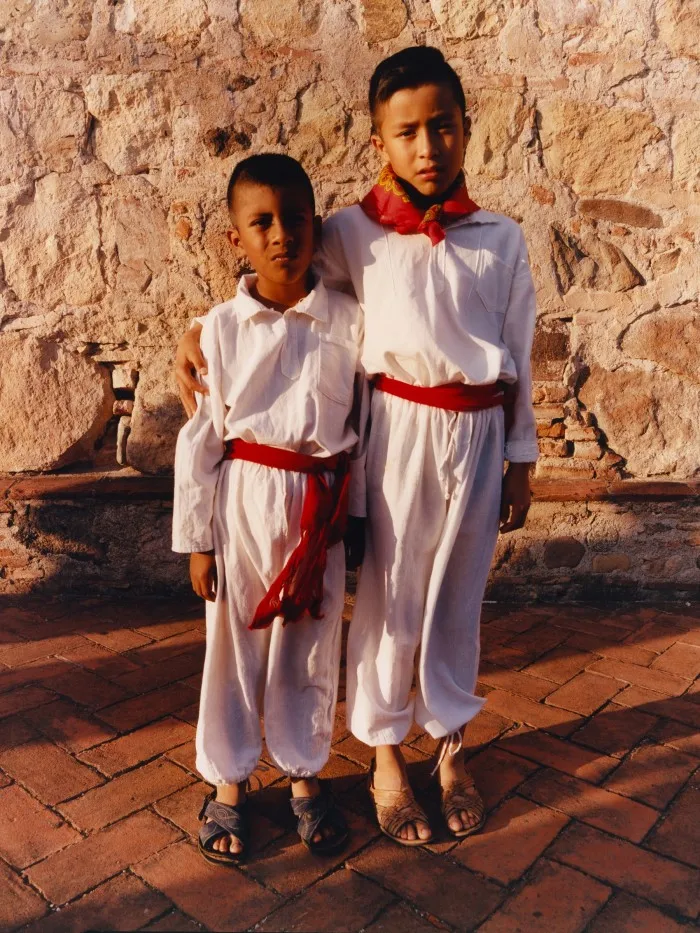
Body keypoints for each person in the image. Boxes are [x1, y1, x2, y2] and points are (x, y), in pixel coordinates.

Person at [176, 46, 538, 847]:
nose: (427, 146)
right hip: (396, 430)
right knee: (391, 596)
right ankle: (383, 756)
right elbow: (274, 285)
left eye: (442, 126)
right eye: (407, 131)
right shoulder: (353, 233)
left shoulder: (502, 240)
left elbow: (521, 351)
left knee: (458, 597)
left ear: (465, 129)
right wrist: (196, 330)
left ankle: (450, 750)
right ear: (381, 142)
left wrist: (521, 457)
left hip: (479, 435)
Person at [172, 153, 367, 864]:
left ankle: (305, 773)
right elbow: (200, 438)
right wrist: (197, 538)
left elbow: (364, 429)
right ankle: (227, 782)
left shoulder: (348, 319)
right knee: (233, 647)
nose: (282, 233)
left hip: (320, 507)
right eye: (261, 222)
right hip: (244, 506)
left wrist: (360, 513)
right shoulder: (219, 330)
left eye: (295, 217)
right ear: (236, 240)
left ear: (316, 223)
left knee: (310, 649)